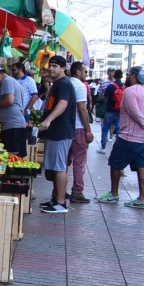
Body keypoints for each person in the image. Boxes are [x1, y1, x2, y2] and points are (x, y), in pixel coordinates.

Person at [96, 66, 144, 209]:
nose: (127, 76)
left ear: (134, 76)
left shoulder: (129, 91)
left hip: (129, 136)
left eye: (129, 74)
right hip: (143, 138)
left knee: (115, 163)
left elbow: (135, 112)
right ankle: (142, 199)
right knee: (141, 165)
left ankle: (113, 194)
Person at [38, 56, 76, 214]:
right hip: (54, 132)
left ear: (63, 68)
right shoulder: (57, 84)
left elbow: (62, 104)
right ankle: (55, 199)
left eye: (55, 66)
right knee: (54, 167)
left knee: (60, 168)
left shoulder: (64, 84)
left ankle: (60, 203)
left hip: (61, 131)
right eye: (50, 66)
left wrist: (48, 120)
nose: (51, 69)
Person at [66, 62, 94, 203]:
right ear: (78, 72)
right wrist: (88, 131)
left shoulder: (65, 83)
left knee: (64, 161)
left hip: (65, 128)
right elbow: (82, 109)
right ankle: (77, 191)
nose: (85, 75)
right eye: (84, 72)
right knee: (79, 161)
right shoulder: (80, 86)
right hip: (78, 128)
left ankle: (58, 190)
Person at [0, 64, 26, 156]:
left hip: (13, 125)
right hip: (11, 125)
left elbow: (9, 100)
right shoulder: (5, 83)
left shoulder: (7, 81)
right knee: (13, 155)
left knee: (14, 156)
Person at [98, 69, 124, 153]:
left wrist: (99, 100)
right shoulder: (124, 87)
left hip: (109, 110)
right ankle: (118, 147)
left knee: (105, 129)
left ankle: (103, 147)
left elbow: (104, 98)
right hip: (120, 111)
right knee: (119, 129)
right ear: (121, 76)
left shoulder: (110, 86)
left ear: (114, 76)